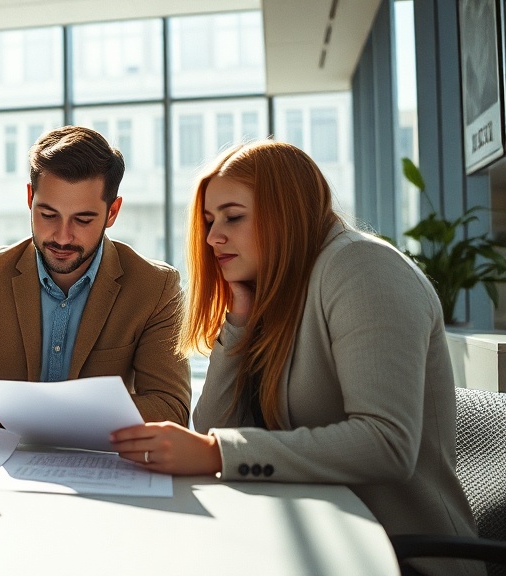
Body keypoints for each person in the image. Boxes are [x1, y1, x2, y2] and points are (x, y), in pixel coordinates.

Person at [109, 140, 481, 576]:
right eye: (210, 221)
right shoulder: (279, 286)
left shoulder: (363, 268)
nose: (212, 237)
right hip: (317, 539)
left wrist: (215, 454)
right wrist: (240, 321)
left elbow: (386, 443)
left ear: (285, 211)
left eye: (233, 217)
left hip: (401, 557)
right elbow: (215, 426)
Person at [0, 125, 191, 425]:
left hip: (96, 462)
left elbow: (171, 407)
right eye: (48, 215)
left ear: (112, 212)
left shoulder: (156, 287)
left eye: (82, 219)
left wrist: (54, 413)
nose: (63, 236)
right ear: (30, 198)